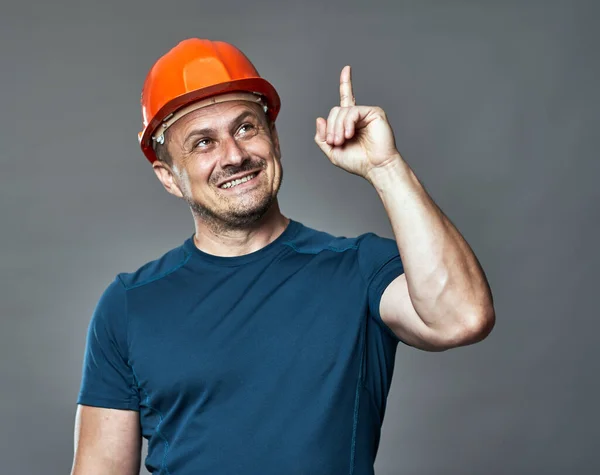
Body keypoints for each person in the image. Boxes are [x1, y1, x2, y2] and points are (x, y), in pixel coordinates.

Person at [70, 38, 495, 475]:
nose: (233, 156)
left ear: (273, 137)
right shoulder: (129, 305)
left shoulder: (358, 269)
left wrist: (385, 168)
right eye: (202, 143)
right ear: (169, 177)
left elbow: (462, 317)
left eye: (245, 128)